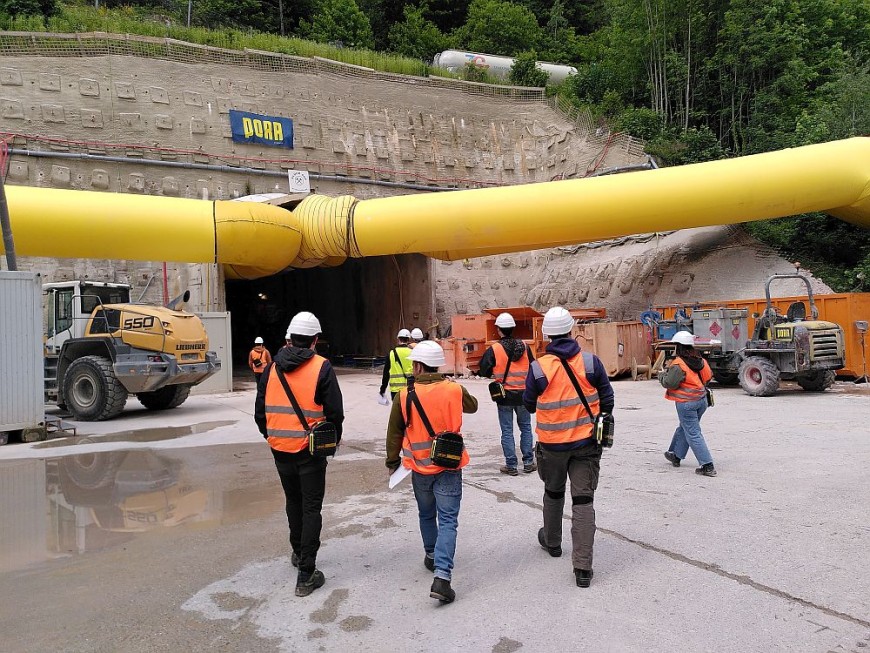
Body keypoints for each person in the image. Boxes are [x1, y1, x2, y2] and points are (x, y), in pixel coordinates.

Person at [254, 311, 344, 598]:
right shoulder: (322, 367)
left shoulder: (271, 369)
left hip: (280, 449)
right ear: (315, 340)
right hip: (310, 450)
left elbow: (260, 413)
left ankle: (297, 552)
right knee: (310, 507)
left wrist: (273, 436)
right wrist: (330, 444)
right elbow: (335, 414)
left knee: (293, 501)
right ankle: (306, 573)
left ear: (289, 339)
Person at [523, 306, 614, 589]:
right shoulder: (590, 362)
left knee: (553, 492)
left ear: (546, 335)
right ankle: (583, 568)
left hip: (552, 447)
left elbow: (527, 404)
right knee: (583, 500)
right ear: (572, 330)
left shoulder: (538, 368)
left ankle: (552, 542)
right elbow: (607, 400)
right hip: (586, 444)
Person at [385, 341, 478, 604]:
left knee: (427, 514)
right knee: (448, 520)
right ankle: (442, 577)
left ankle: (431, 555)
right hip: (449, 466)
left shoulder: (405, 395)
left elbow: (394, 432)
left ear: (416, 365)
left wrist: (392, 461)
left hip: (420, 468)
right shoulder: (454, 389)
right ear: (438, 364)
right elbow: (472, 406)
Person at [478, 312, 536, 475]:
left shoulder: (495, 349)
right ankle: (528, 462)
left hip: (504, 396)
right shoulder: (524, 346)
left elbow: (483, 370)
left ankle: (511, 465)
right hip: (524, 394)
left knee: (507, 430)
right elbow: (533, 367)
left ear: (498, 330)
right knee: (525, 428)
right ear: (513, 328)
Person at [660, 331, 716, 477]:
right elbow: (708, 376)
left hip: (686, 403)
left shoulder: (678, 364)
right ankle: (675, 455)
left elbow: (669, 383)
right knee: (685, 427)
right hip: (701, 401)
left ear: (678, 347)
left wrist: (661, 375)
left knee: (693, 433)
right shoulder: (701, 361)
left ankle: (707, 465)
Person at [379, 329, 414, 401]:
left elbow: (386, 373)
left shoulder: (391, 354)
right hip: (410, 388)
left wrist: (383, 389)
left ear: (398, 339)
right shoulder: (412, 353)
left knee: (397, 410)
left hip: (395, 390)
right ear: (408, 339)